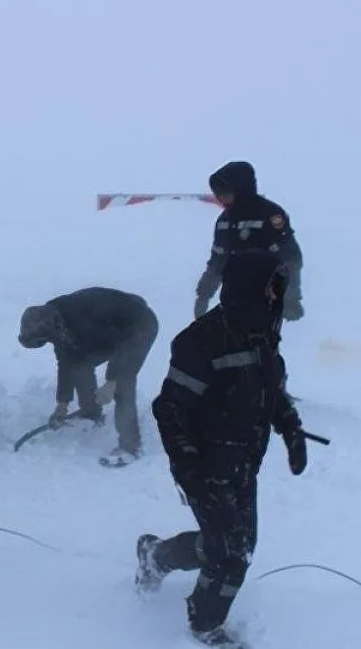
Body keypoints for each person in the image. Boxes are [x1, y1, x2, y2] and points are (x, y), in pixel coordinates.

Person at [135, 250, 312, 649]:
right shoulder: (202, 340)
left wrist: (291, 428)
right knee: (231, 554)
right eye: (269, 286)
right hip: (206, 462)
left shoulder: (262, 333)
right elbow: (170, 409)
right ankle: (205, 627)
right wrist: (190, 469)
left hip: (245, 459)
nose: (275, 294)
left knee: (235, 545)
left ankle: (156, 555)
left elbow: (270, 390)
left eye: (276, 287)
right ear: (249, 287)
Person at [17, 287, 159, 467]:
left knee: (124, 382)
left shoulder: (83, 318)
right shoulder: (53, 318)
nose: (46, 343)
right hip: (107, 333)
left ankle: (131, 447)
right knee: (79, 366)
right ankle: (91, 413)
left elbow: (122, 348)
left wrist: (111, 382)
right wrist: (62, 404)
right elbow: (66, 362)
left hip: (139, 326)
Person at [195, 160, 304, 322]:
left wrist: (289, 295)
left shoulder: (270, 214)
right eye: (218, 194)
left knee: (261, 342)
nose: (221, 198)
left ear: (241, 189)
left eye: (225, 192)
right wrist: (203, 294)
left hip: (268, 297)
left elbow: (291, 258)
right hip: (234, 298)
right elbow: (218, 261)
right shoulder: (224, 222)